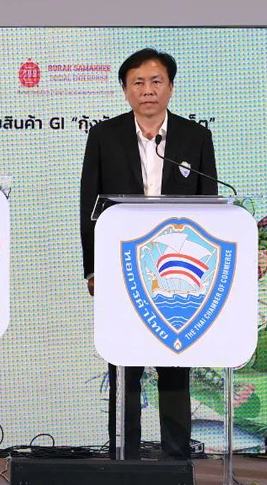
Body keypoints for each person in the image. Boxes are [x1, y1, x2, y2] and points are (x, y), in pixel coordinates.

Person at [79, 48, 218, 461]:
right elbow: (90, 206)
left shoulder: (196, 137)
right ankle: (126, 457)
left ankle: (177, 459)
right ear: (125, 90)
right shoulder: (104, 136)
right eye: (138, 82)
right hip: (123, 267)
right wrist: (93, 268)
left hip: (180, 270)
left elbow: (209, 205)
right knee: (125, 367)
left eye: (156, 81)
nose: (148, 90)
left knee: (175, 364)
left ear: (170, 87)